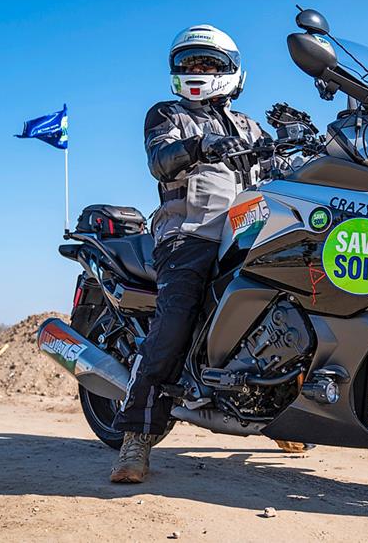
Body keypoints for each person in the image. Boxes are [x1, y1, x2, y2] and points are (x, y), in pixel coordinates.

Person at [109, 24, 269, 483]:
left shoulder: (251, 127)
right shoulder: (168, 114)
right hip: (190, 232)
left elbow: (281, 167)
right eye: (190, 63)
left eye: (209, 64)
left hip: (249, 230)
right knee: (176, 318)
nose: (198, 70)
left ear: (231, 71)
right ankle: (136, 435)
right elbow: (160, 158)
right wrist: (199, 145)